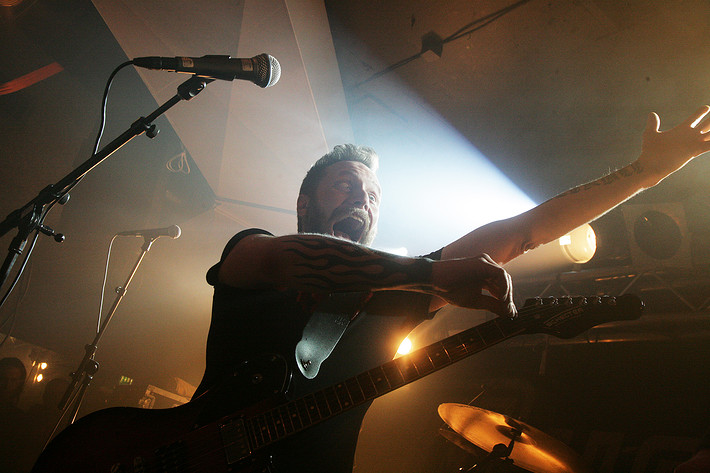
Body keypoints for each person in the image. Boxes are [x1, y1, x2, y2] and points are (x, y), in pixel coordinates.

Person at [196, 106, 710, 472]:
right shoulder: (255, 254)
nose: (362, 199)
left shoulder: (389, 301)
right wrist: (431, 274)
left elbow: (524, 230)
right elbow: (289, 257)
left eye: (373, 194)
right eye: (345, 185)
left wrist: (642, 174)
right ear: (305, 203)